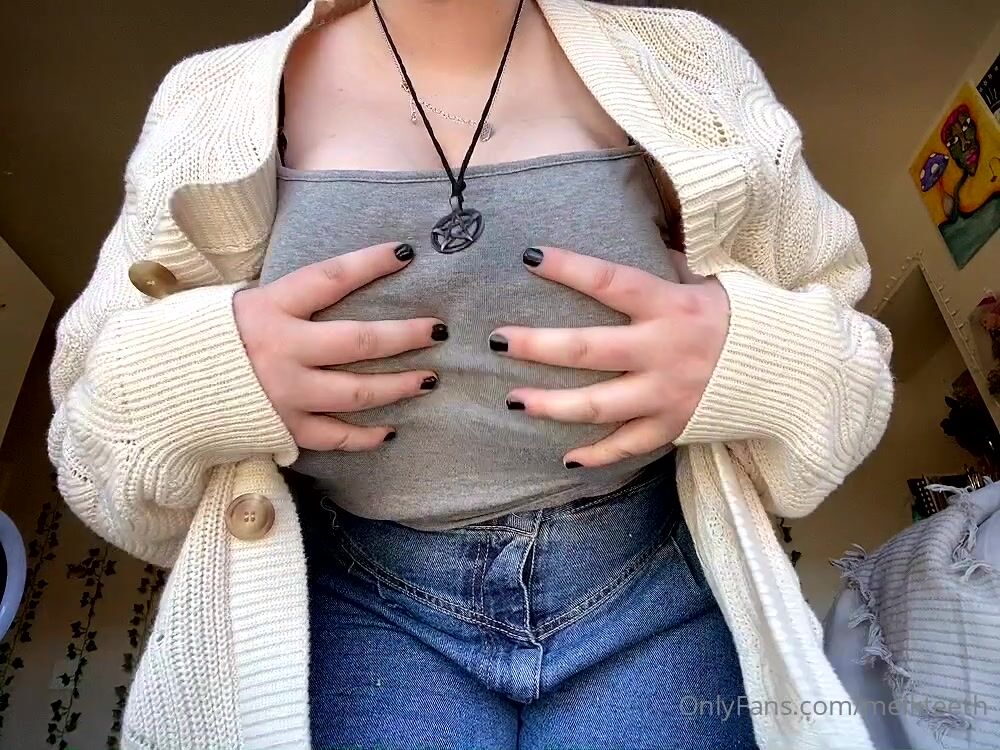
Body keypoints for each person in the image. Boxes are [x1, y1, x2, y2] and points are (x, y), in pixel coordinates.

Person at [45, 0, 894, 748]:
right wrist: (206, 373)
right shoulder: (206, 100)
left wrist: (747, 353)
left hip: (654, 580)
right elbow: (91, 457)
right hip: (359, 601)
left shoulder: (688, 59)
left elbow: (852, 372)